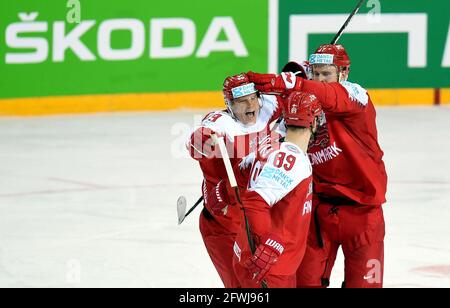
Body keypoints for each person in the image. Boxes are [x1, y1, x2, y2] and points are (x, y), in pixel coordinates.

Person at [246, 44, 388, 288]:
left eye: (326, 74)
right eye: (316, 74)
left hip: (363, 214)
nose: (320, 80)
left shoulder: (356, 95)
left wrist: (292, 83)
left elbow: (332, 96)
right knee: (306, 284)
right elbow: (264, 146)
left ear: (343, 73)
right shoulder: (302, 109)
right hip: (318, 214)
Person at [206, 91, 322, 288]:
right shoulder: (292, 160)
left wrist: (221, 193)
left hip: (250, 255)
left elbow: (241, 172)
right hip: (270, 267)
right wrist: (269, 244)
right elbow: (255, 202)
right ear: (314, 122)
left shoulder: (268, 145)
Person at [186, 73, 285, 287]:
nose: (251, 105)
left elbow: (294, 90)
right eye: (242, 101)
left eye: (253, 98)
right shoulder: (221, 123)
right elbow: (196, 140)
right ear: (229, 104)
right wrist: (202, 140)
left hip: (256, 218)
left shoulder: (266, 106)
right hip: (223, 226)